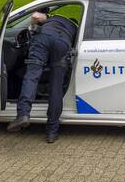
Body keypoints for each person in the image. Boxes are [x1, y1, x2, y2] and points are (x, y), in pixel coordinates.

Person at [7, 9, 77, 143]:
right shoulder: (74, 29)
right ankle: (52, 131)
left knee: (32, 77)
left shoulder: (55, 18)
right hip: (63, 44)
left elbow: (35, 16)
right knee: (56, 88)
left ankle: (23, 114)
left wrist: (33, 25)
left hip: (43, 37)